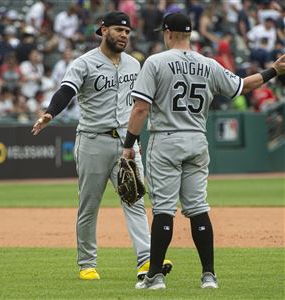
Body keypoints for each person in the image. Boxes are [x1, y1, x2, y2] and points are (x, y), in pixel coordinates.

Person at [122, 13, 285, 290]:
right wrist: (274, 71)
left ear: (167, 32)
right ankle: (209, 276)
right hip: (197, 139)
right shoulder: (208, 64)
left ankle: (154, 277)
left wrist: (128, 145)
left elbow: (140, 108)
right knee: (198, 208)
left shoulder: (155, 62)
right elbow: (243, 86)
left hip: (166, 139)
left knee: (163, 209)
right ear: (189, 33)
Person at [32, 11, 172, 281]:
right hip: (93, 141)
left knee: (134, 200)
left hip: (126, 143)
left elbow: (142, 103)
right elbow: (66, 91)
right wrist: (51, 112)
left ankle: (145, 260)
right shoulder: (84, 63)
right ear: (103, 30)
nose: (124, 35)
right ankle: (87, 264)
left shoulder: (134, 64)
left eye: (128, 32)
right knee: (89, 205)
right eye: (119, 30)